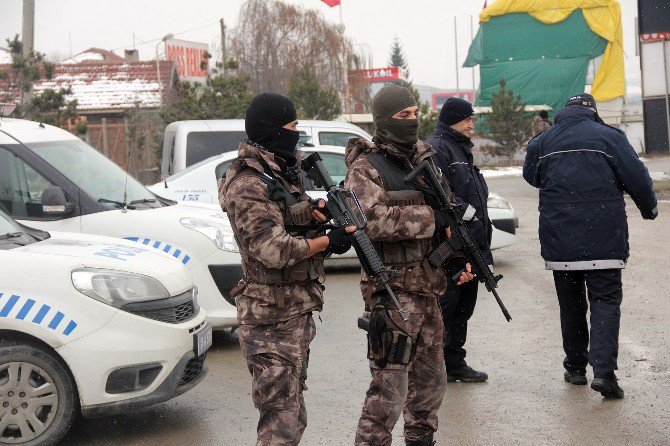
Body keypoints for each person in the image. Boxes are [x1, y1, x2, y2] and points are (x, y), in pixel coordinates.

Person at [218, 93, 353, 445]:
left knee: (293, 415)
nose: (296, 133)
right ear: (271, 129)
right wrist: (328, 242)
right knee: (280, 424)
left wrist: (315, 212)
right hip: (270, 319)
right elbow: (271, 249)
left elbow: (289, 216)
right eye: (292, 126)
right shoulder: (248, 184)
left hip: (292, 312)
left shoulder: (277, 173)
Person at [345, 84, 472, 446]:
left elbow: (446, 216)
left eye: (416, 114)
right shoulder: (366, 169)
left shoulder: (424, 160)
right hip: (392, 292)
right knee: (388, 392)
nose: (413, 121)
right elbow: (370, 221)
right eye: (403, 116)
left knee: (431, 386)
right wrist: (430, 215)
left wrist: (454, 257)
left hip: (428, 290)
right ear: (384, 121)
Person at [523, 93, 658, 399]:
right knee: (605, 302)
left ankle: (574, 367)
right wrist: (648, 207)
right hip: (604, 240)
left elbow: (532, 177)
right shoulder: (609, 138)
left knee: (570, 305)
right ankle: (604, 372)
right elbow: (636, 176)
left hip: (561, 241)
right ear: (593, 112)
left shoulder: (543, 142)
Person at [426, 97, 491, 383]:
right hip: (451, 245)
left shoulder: (459, 149)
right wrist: (470, 216)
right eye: (468, 119)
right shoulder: (439, 149)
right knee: (446, 308)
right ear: (453, 119)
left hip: (471, 243)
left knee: (463, 308)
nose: (471, 124)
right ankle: (434, 365)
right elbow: (441, 197)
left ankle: (454, 362)